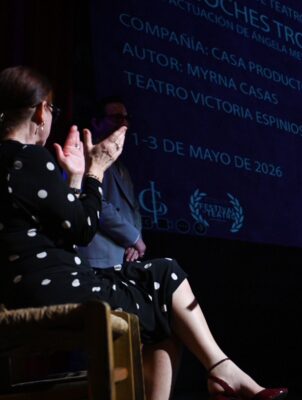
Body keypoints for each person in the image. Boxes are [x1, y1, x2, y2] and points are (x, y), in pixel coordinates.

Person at [0, 66, 286, 400]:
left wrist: (76, 178)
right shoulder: (29, 158)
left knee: (163, 312)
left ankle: (222, 370)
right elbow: (82, 229)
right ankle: (222, 370)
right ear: (40, 110)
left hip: (26, 288)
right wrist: (94, 171)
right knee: (166, 277)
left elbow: (63, 227)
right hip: (52, 290)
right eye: (53, 110)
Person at [76, 97, 145, 267]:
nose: (124, 124)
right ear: (96, 123)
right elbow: (93, 201)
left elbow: (134, 207)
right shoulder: (85, 154)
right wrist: (133, 237)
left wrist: (135, 239)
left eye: (126, 118)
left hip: (125, 256)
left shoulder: (123, 168)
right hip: (98, 258)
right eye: (116, 118)